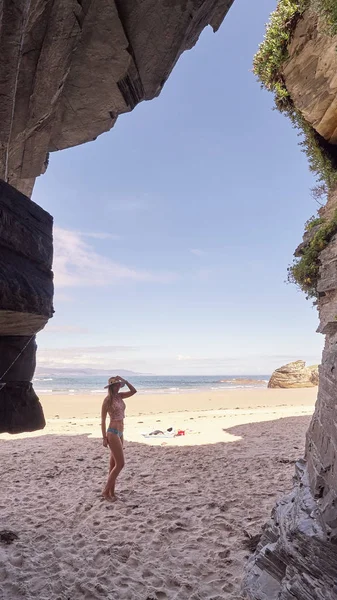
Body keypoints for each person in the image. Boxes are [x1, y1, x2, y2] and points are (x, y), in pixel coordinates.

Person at [101, 375, 137, 501]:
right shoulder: (107, 400)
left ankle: (112, 492)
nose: (117, 386)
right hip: (112, 432)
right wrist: (104, 438)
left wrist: (125, 381)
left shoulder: (120, 396)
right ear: (111, 387)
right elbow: (103, 420)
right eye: (115, 385)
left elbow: (134, 391)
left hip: (121, 432)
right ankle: (105, 492)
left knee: (113, 464)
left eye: (118, 385)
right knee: (120, 464)